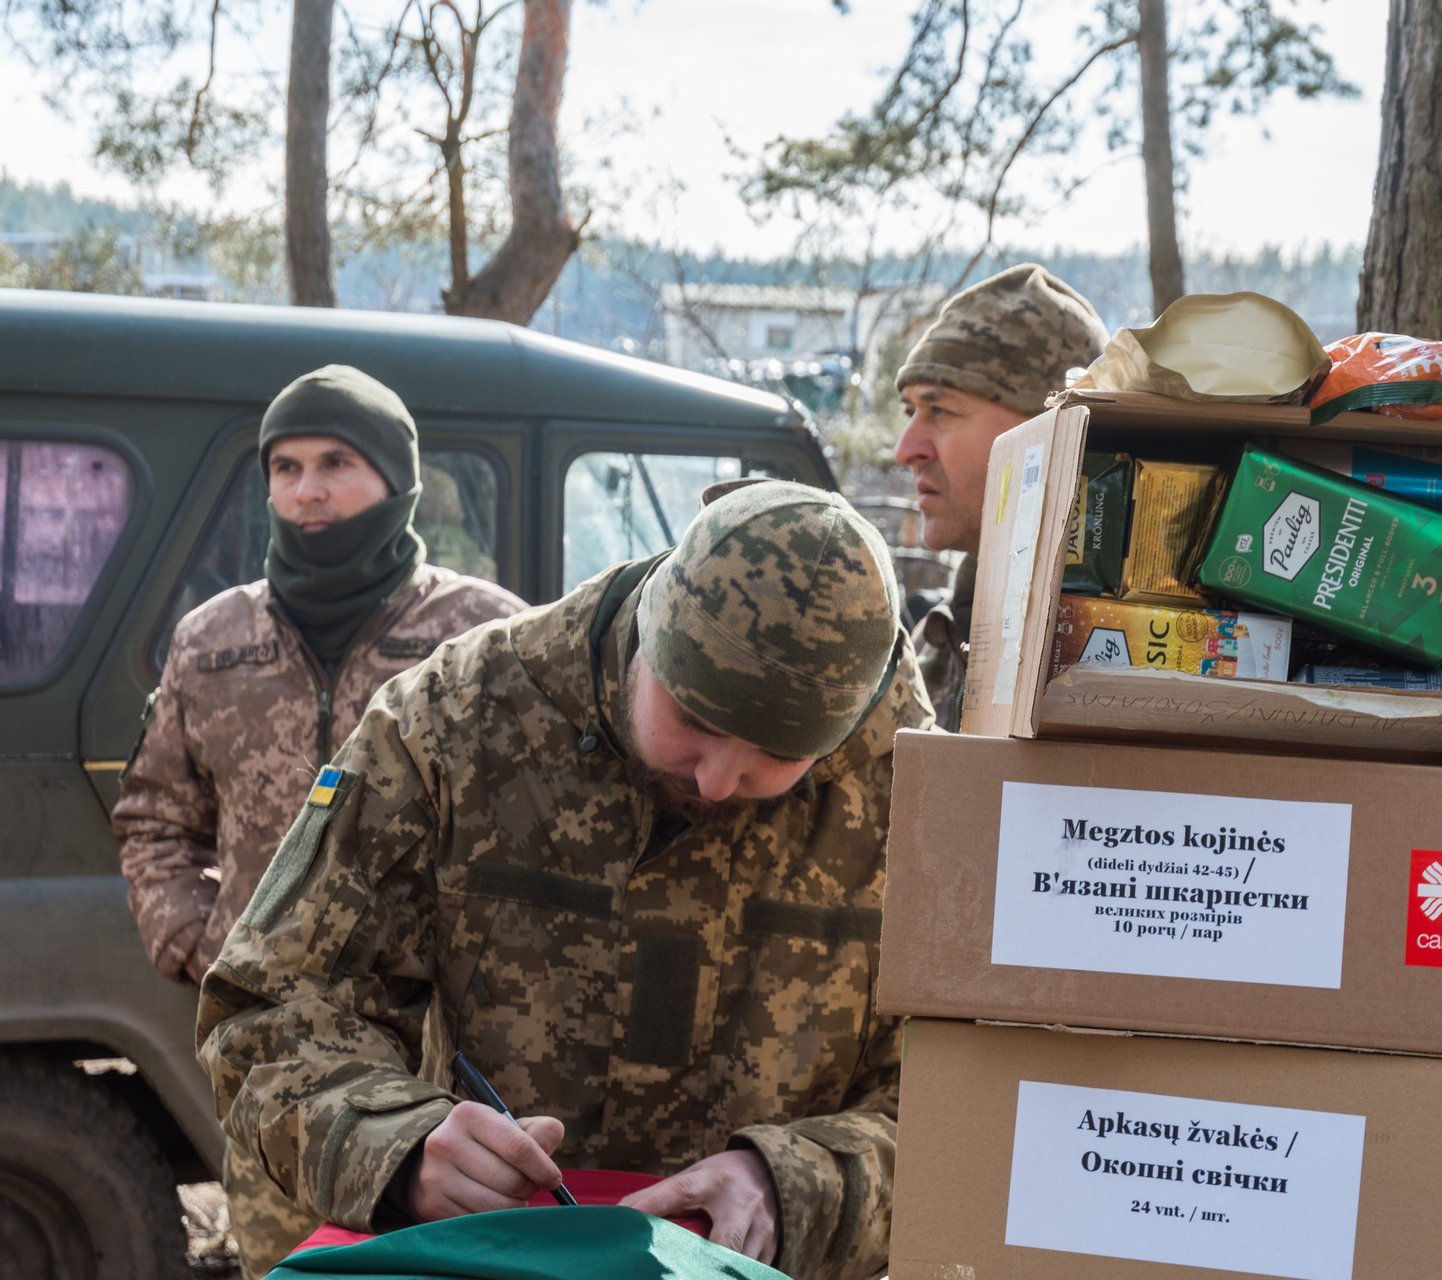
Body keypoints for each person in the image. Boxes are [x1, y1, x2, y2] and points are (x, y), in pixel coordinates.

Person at [196, 479, 935, 1280]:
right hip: (498, 1263)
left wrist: (804, 1187)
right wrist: (399, 1146)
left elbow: (979, 1111)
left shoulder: (917, 796)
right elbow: (269, 1010)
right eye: (693, 720)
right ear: (648, 629)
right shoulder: (454, 723)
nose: (720, 781)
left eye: (779, 757)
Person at [113, 364, 527, 1275]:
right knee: (288, 1268)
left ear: (396, 480)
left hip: (446, 1083)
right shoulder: (213, 641)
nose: (306, 490)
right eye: (285, 466)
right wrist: (200, 941)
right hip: (281, 1074)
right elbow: (153, 817)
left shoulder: (487, 637)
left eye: (336, 461)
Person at [893, 263, 1108, 728]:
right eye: (911, 411)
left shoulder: (1113, 654)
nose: (905, 449)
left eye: (940, 410)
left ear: (1043, 430)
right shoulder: (937, 640)